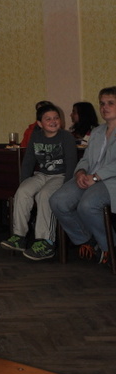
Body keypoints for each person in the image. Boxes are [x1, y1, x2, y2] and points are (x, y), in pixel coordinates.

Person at [1, 103, 77, 260]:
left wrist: (67, 187)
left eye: (56, 118)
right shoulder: (36, 136)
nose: (53, 121)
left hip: (60, 176)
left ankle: (46, 242)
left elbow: (71, 163)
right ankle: (19, 236)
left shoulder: (66, 137)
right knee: (23, 191)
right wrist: (23, 181)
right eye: (48, 119)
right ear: (40, 123)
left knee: (44, 195)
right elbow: (28, 161)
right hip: (41, 175)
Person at [50, 87, 116, 265]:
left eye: (110, 103)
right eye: (102, 103)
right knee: (58, 201)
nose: (104, 107)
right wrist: (80, 172)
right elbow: (86, 159)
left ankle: (110, 247)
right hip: (89, 177)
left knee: (87, 205)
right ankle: (87, 239)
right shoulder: (97, 132)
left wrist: (95, 177)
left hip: (111, 181)